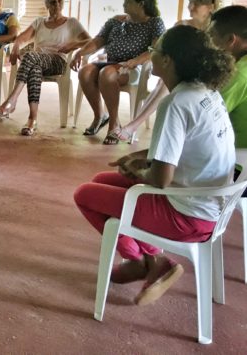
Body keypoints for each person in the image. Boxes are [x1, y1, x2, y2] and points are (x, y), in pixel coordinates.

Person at [74, 25, 235, 306]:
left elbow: (159, 179)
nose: (150, 54)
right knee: (102, 178)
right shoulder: (206, 92)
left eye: (155, 50)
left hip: (186, 216)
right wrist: (138, 159)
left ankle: (146, 260)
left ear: (168, 60)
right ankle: (148, 262)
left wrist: (137, 171)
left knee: (85, 195)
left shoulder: (176, 103)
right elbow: (186, 146)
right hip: (209, 206)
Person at [109, 0, 218, 142]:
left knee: (166, 82)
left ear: (211, 8)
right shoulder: (182, 25)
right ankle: (133, 126)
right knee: (165, 81)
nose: (190, 7)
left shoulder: (216, 31)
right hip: (179, 75)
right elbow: (160, 48)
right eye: (190, 2)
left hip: (204, 78)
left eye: (196, 4)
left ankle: (133, 125)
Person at [70, 0, 166, 145]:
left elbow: (154, 49)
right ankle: (100, 115)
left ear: (141, 4)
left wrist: (135, 61)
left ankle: (114, 124)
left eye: (127, 2)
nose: (123, 5)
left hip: (134, 68)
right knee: (85, 72)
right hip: (110, 62)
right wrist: (80, 52)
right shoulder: (116, 20)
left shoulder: (154, 23)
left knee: (107, 74)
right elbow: (98, 40)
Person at [0, 0, 90, 135]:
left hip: (58, 61)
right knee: (35, 70)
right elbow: (22, 38)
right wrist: (15, 47)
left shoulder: (71, 22)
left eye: (60, 1)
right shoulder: (39, 22)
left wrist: (74, 45)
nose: (57, 5)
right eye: (52, 2)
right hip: (37, 61)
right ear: (46, 4)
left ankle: (12, 99)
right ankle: (32, 119)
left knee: (30, 56)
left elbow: (90, 41)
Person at [208, 5, 247, 189]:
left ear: (231, 39)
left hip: (238, 169)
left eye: (212, 36)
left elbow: (204, 120)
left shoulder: (239, 74)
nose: (209, 43)